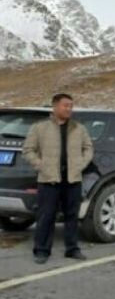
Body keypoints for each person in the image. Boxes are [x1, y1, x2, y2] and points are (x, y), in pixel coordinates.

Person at [22, 93, 94, 264]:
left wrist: (80, 165)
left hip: (72, 179)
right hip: (49, 180)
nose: (69, 109)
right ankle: (41, 250)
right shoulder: (40, 128)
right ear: (54, 107)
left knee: (72, 216)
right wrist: (40, 165)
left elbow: (88, 148)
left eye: (71, 106)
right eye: (65, 105)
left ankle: (72, 248)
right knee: (46, 216)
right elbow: (28, 150)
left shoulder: (79, 128)